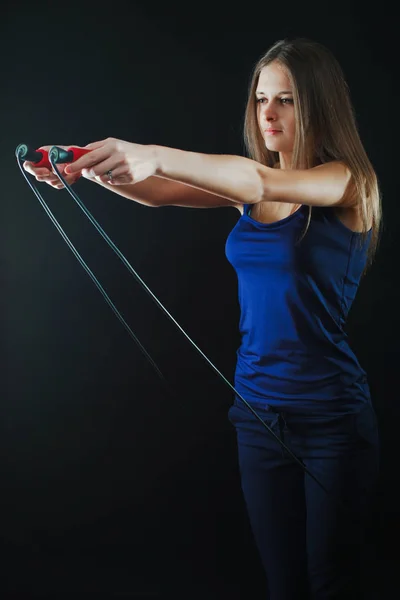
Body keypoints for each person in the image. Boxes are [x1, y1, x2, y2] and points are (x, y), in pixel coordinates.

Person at [24, 37, 382, 600]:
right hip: (257, 414)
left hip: (332, 421)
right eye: (262, 98)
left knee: (331, 582)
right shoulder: (247, 191)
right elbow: (161, 193)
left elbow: (258, 180)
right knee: (284, 584)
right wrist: (89, 168)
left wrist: (154, 151)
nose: (268, 113)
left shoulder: (348, 183)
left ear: (318, 104)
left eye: (286, 99)